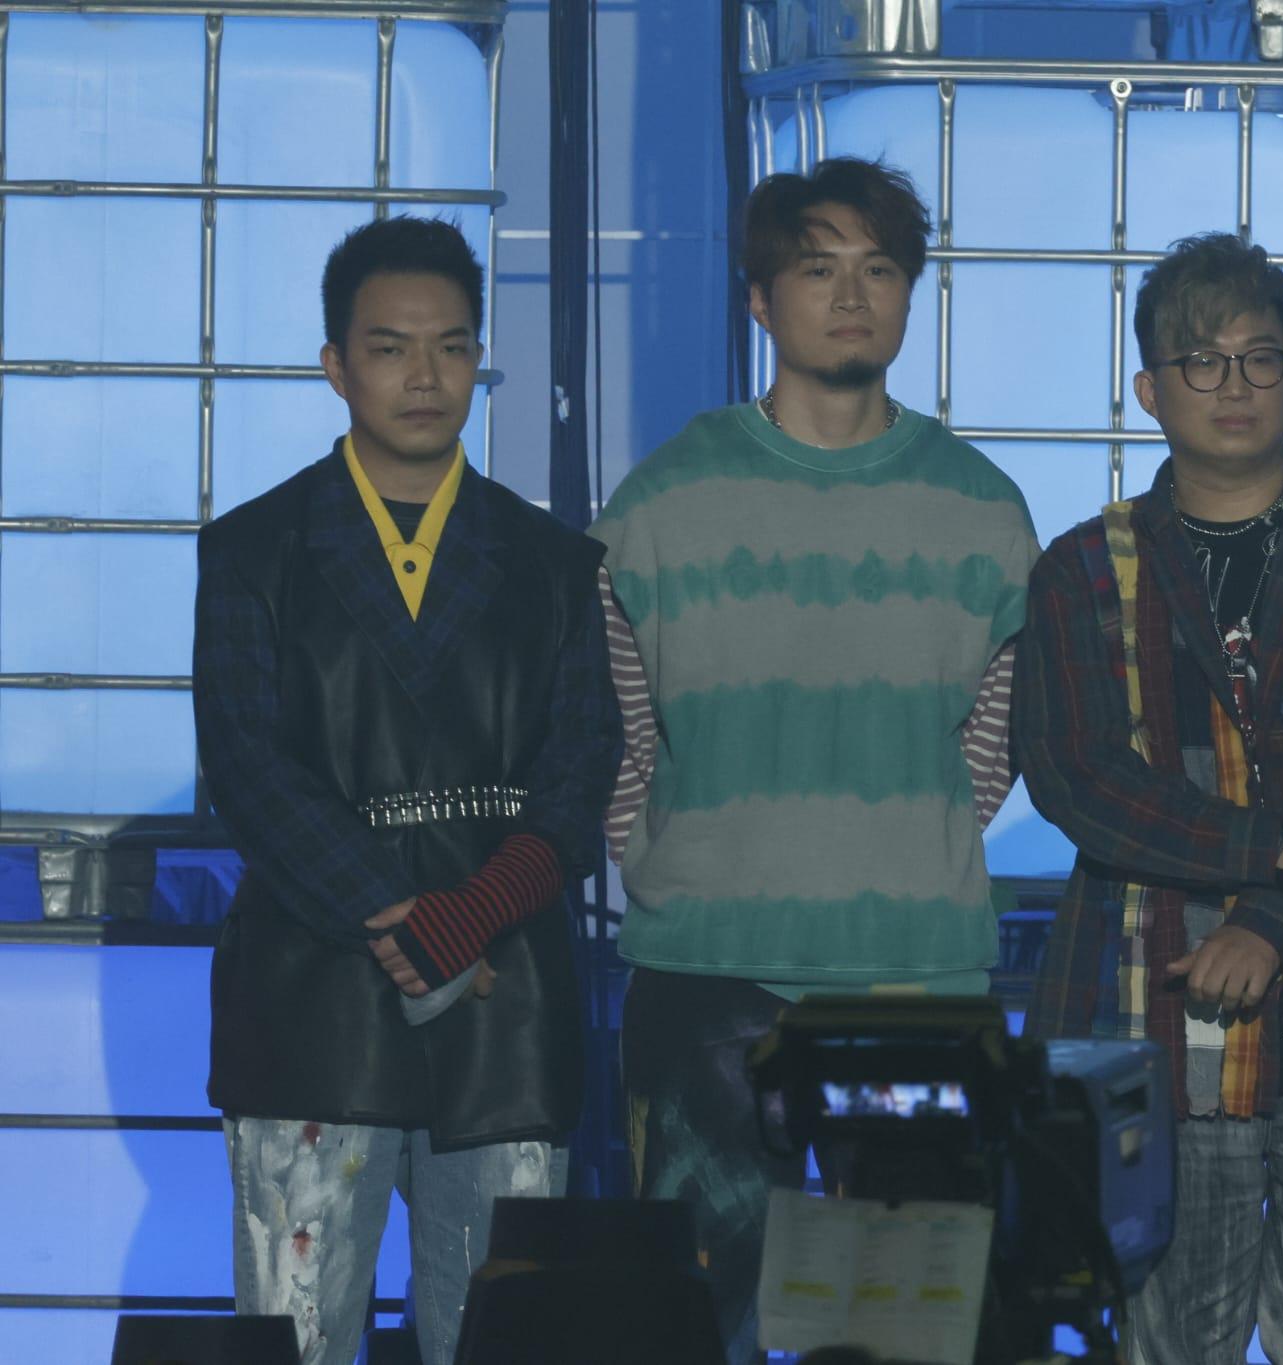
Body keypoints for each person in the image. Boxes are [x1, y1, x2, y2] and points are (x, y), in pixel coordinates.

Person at [590, 156, 1038, 1364]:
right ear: (757, 296)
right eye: (816, 268)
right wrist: (687, 862)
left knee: (906, 1335)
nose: (850, 295)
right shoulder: (661, 504)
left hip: (914, 980)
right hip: (706, 973)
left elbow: (994, 743)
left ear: (909, 294)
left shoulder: (981, 509)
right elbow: (617, 736)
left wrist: (891, 844)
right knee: (699, 1330)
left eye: (878, 269)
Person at [194, 215, 621, 1365]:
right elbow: (245, 765)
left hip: (502, 1008)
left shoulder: (556, 564)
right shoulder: (252, 552)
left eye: (451, 346)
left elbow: (582, 769)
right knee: (295, 1342)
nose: (424, 376)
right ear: (335, 365)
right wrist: (400, 915)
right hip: (314, 1002)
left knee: (502, 1341)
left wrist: (464, 918)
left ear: (479, 359)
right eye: (389, 348)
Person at [1018, 232, 1283, 1365]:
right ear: (1149, 391)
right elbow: (1081, 779)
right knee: (1158, 1346)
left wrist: (1271, 915)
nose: (1233, 385)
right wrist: (1277, 854)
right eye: (1201, 361)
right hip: (1149, 1021)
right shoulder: (1083, 567)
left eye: (1258, 357)